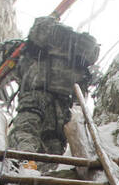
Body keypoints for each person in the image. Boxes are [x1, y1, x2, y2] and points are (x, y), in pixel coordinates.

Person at [7, 16, 100, 156]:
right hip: (62, 106)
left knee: (26, 132)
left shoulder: (40, 41)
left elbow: (18, 68)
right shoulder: (80, 54)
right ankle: (41, 171)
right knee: (53, 144)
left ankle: (24, 166)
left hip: (35, 97)